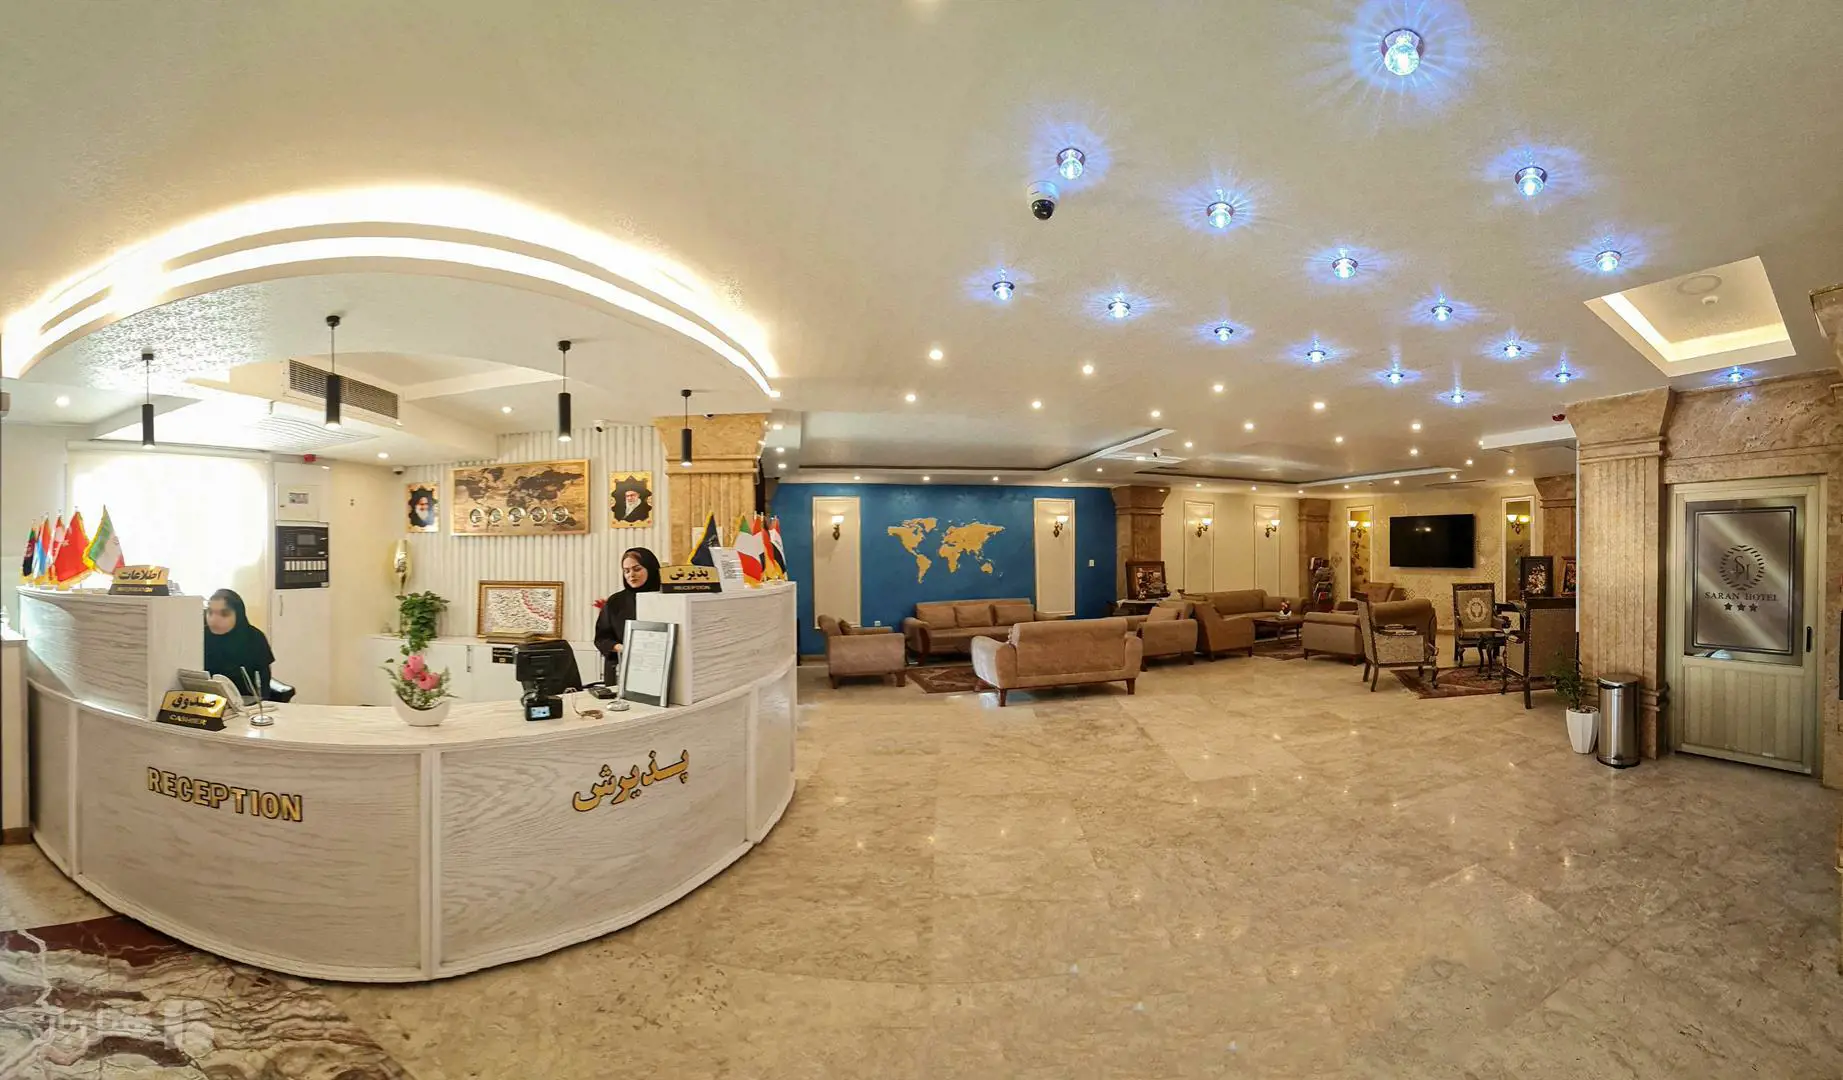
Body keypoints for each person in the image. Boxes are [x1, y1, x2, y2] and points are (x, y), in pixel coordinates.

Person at [203, 589, 288, 702]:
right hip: (204, 700)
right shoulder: (200, 636)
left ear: (238, 614)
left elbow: (264, 678)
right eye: (210, 612)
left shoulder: (254, 637)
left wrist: (263, 703)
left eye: (224, 614)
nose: (214, 619)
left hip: (244, 701)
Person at [594, 547, 661, 684]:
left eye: (637, 569)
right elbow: (601, 639)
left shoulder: (668, 599)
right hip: (622, 669)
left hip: (659, 668)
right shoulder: (616, 601)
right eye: (626, 571)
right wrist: (624, 648)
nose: (631, 575)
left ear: (651, 569)